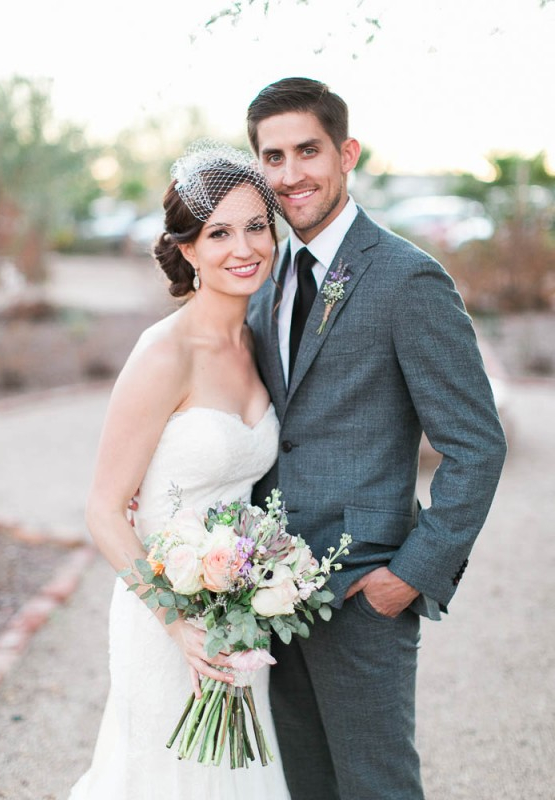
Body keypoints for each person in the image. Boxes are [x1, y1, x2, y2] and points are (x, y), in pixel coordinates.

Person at [245, 77, 508, 800]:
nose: (291, 173)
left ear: (346, 152)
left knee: (377, 788)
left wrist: (408, 577)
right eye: (273, 156)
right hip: (271, 594)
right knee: (307, 786)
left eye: (308, 150)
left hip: (364, 594)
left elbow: (477, 444)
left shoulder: (407, 279)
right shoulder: (265, 284)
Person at [68, 142, 291, 800]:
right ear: (187, 249)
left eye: (256, 226)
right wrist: (178, 623)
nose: (243, 247)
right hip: (164, 620)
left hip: (240, 613)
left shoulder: (257, 339)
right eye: (219, 232)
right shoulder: (163, 353)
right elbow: (105, 511)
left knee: (238, 776)